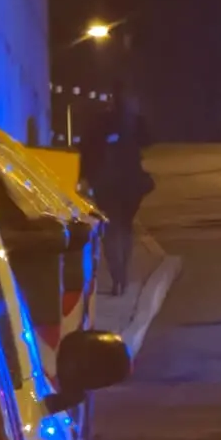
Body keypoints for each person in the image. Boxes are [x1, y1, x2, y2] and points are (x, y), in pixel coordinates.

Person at [86, 85, 154, 296]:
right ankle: (121, 275)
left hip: (106, 184)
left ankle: (118, 277)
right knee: (124, 228)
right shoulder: (133, 121)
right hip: (129, 183)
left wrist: (87, 178)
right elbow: (150, 140)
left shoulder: (101, 121)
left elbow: (88, 149)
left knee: (111, 230)